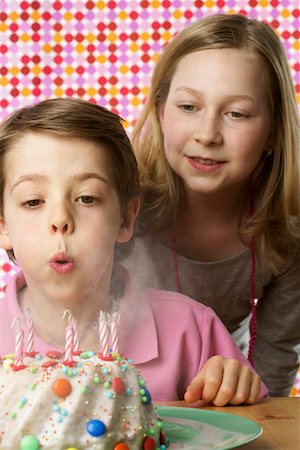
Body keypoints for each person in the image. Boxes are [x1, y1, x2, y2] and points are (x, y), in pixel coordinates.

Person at [0, 97, 267, 405]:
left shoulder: (191, 330)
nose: (60, 219)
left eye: (87, 198)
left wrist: (234, 387)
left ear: (126, 219)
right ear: (4, 226)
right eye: (33, 201)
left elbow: (256, 424)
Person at [119, 13, 300, 397]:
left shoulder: (288, 228)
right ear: (161, 112)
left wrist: (254, 412)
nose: (207, 134)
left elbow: (276, 352)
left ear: (273, 132)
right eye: (188, 107)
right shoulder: (116, 200)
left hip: (221, 405)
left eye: (236, 114)